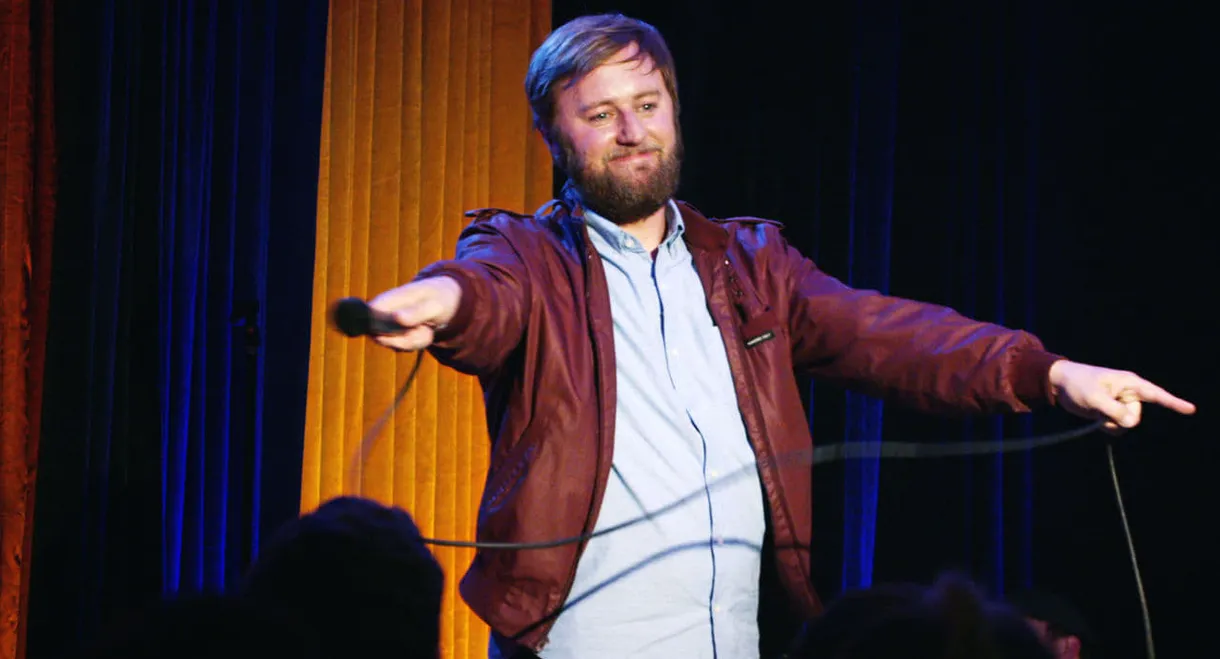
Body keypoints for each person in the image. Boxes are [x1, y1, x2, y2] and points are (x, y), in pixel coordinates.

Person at [364, 13, 1195, 659]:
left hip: (744, 637)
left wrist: (1049, 373)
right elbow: (483, 296)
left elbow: (889, 334)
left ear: (676, 111)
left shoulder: (752, 266)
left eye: (648, 105)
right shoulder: (528, 257)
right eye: (601, 113)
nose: (632, 131)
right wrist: (439, 301)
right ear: (555, 136)